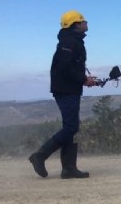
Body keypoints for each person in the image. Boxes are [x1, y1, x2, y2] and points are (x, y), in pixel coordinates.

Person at [29, 10, 96, 179]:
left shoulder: (71, 40)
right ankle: (40, 156)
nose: (86, 23)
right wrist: (83, 79)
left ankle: (68, 169)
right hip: (65, 90)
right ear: (76, 24)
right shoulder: (69, 41)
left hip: (69, 88)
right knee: (71, 127)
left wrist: (85, 79)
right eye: (83, 21)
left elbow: (70, 66)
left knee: (71, 126)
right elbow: (65, 67)